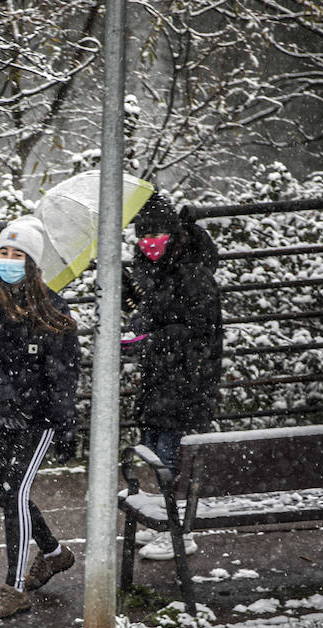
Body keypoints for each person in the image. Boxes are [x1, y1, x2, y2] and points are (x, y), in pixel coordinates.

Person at [0, 215, 82, 620]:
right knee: (6, 495)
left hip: (39, 419)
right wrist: (3, 392)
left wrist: (65, 423)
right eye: (3, 252)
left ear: (33, 263)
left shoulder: (52, 308)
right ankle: (53, 553)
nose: (8, 260)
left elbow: (64, 372)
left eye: (18, 254)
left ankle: (14, 589)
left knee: (14, 495)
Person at [122, 193, 224, 560]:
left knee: (173, 458)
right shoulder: (158, 270)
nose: (148, 243)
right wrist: (133, 311)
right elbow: (154, 315)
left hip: (185, 384)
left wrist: (151, 338)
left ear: (175, 235)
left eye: (157, 236)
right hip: (162, 380)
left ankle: (181, 531)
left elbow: (197, 333)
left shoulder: (192, 276)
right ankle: (168, 524)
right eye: (142, 236)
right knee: (157, 451)